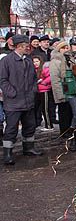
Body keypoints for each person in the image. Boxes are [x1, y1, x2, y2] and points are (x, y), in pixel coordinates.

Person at [0, 35, 43, 165]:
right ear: (19, 46)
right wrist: (12, 93)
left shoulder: (28, 61)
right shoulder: (7, 61)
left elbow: (33, 79)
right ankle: (7, 153)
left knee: (30, 126)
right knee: (11, 128)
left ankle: (29, 148)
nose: (28, 47)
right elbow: (2, 80)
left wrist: (33, 90)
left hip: (28, 101)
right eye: (26, 45)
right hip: (13, 103)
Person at [50, 41, 73, 137]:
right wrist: (60, 94)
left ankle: (69, 129)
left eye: (67, 47)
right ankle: (64, 131)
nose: (66, 50)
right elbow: (55, 79)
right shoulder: (55, 61)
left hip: (70, 89)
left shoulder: (68, 60)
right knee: (63, 112)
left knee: (69, 111)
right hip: (62, 90)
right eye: (63, 48)